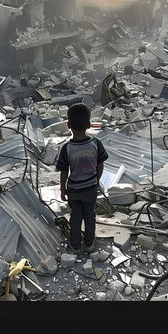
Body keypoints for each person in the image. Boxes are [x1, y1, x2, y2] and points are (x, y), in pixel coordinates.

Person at [56, 103, 108, 254]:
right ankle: (90, 244)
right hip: (90, 187)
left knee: (76, 217)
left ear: (68, 125)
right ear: (90, 124)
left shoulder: (67, 148)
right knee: (90, 215)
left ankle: (75, 245)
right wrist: (96, 181)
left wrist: (63, 188)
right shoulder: (95, 144)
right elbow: (100, 165)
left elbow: (64, 171)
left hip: (74, 189)